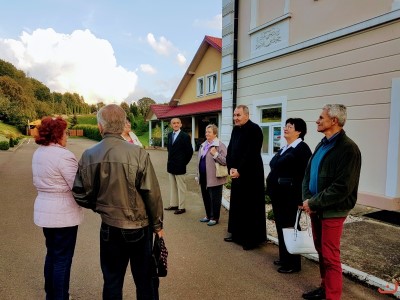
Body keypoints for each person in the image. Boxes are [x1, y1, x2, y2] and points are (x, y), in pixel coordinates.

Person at [72, 104, 164, 300]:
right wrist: (157, 225)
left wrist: (100, 206)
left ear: (100, 126)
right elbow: (152, 193)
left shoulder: (89, 155)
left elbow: (80, 193)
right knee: (145, 279)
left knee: (112, 280)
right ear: (123, 125)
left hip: (110, 226)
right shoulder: (138, 153)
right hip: (140, 226)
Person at [302, 104, 361, 300]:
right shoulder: (322, 144)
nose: (317, 121)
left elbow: (342, 188)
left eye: (321, 117)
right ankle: (324, 288)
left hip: (333, 211)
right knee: (321, 250)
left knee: (330, 255)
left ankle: (332, 296)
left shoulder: (348, 149)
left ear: (334, 121)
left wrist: (313, 203)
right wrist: (306, 199)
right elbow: (308, 174)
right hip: (316, 207)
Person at [32, 116, 84, 300]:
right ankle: (60, 297)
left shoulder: (39, 152)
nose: (67, 135)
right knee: (62, 259)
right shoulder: (63, 155)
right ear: (57, 134)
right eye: (65, 132)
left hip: (45, 211)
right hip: (63, 214)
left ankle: (51, 295)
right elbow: (77, 186)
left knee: (52, 254)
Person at [266, 118, 312, 274]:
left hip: (291, 197)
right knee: (281, 227)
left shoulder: (302, 149)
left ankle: (293, 263)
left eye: (290, 126)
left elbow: (306, 176)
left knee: (291, 227)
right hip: (279, 195)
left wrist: (302, 199)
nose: (285, 128)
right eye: (285, 126)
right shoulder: (286, 147)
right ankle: (284, 257)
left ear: (299, 131)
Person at [224, 105, 267, 250]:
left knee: (250, 207)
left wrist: (240, 170)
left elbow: (251, 153)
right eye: (234, 115)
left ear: (247, 115)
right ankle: (236, 234)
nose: (235, 118)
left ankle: (251, 239)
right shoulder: (236, 129)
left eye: (238, 115)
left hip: (250, 175)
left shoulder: (255, 130)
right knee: (237, 205)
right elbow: (231, 149)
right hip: (236, 173)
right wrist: (230, 167)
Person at [196, 124, 228, 226]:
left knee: (215, 198)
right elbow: (199, 160)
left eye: (209, 132)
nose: (207, 134)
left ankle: (214, 217)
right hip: (204, 176)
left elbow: (226, 161)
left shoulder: (220, 145)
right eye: (206, 132)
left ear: (215, 133)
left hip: (215, 177)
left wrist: (215, 154)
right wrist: (198, 174)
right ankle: (208, 215)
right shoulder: (203, 145)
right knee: (206, 197)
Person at [164, 117, 194, 215]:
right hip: (171, 165)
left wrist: (183, 163)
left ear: (181, 124)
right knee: (173, 187)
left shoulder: (185, 136)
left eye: (177, 123)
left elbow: (189, 152)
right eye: (174, 123)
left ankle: (182, 207)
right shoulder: (169, 135)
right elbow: (169, 149)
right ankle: (174, 204)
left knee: (181, 188)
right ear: (171, 125)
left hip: (180, 166)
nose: (176, 124)